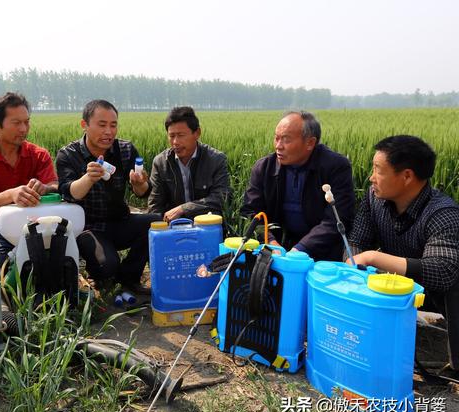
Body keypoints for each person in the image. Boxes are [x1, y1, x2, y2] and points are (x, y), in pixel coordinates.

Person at [347, 135, 459, 376]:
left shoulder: (443, 213)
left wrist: (373, 258)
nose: (371, 177)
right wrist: (354, 262)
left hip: (433, 294)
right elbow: (357, 240)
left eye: (378, 170)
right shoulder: (374, 199)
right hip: (396, 285)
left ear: (407, 176)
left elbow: (442, 271)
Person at [56, 100, 159, 295]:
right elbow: (68, 192)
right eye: (102, 125)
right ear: (84, 125)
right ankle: (101, 273)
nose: (109, 132)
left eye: (113, 125)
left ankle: (129, 277)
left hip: (120, 221)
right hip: (89, 228)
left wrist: (139, 183)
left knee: (157, 223)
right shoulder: (69, 155)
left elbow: (143, 192)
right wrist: (88, 178)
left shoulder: (125, 150)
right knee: (107, 267)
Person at [240, 110, 354, 261]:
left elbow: (337, 219)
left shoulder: (335, 167)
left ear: (310, 143)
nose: (278, 146)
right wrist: (271, 243)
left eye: (286, 140)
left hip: (321, 255)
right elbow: (251, 212)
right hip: (274, 251)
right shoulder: (264, 168)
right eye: (276, 138)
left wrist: (300, 249)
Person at [0, 92, 58, 264]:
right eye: (16, 123)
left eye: (26, 122)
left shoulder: (39, 155)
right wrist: (11, 195)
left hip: (38, 222)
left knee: (54, 261)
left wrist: (45, 187)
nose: (23, 129)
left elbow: (55, 185)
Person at [148, 106, 231, 222]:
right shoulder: (161, 163)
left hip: (205, 225)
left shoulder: (216, 160)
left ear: (197, 133)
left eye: (181, 135)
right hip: (173, 226)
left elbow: (222, 197)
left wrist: (184, 208)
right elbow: (155, 205)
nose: (175, 142)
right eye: (171, 136)